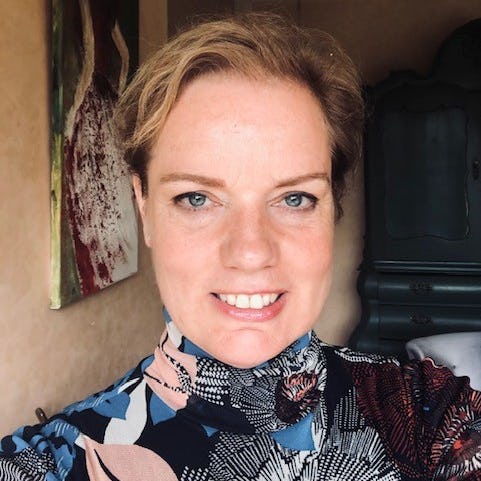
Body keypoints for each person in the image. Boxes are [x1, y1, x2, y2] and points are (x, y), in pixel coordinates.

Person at [1, 12, 480, 481]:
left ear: (332, 206)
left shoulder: (432, 417)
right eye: (196, 198)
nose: (250, 253)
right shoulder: (52, 465)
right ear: (144, 208)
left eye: (294, 198)